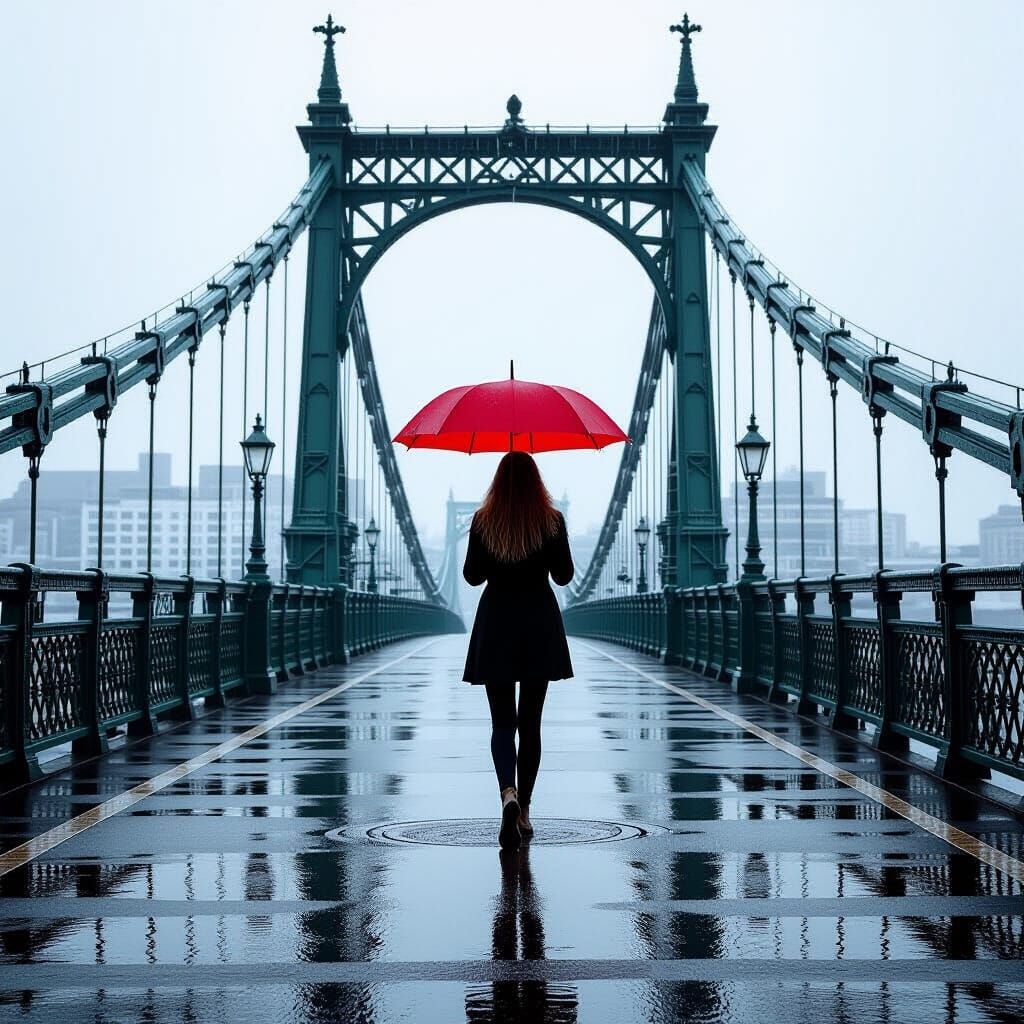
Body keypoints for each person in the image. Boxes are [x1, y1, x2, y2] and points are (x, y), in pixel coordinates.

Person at [462, 451, 575, 850]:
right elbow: (563, 576)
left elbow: (472, 576)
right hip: (538, 625)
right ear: (537, 481)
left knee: (501, 724)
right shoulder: (551, 520)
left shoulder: (483, 520)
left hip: (496, 625)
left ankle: (506, 793)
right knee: (531, 725)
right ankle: (524, 809)